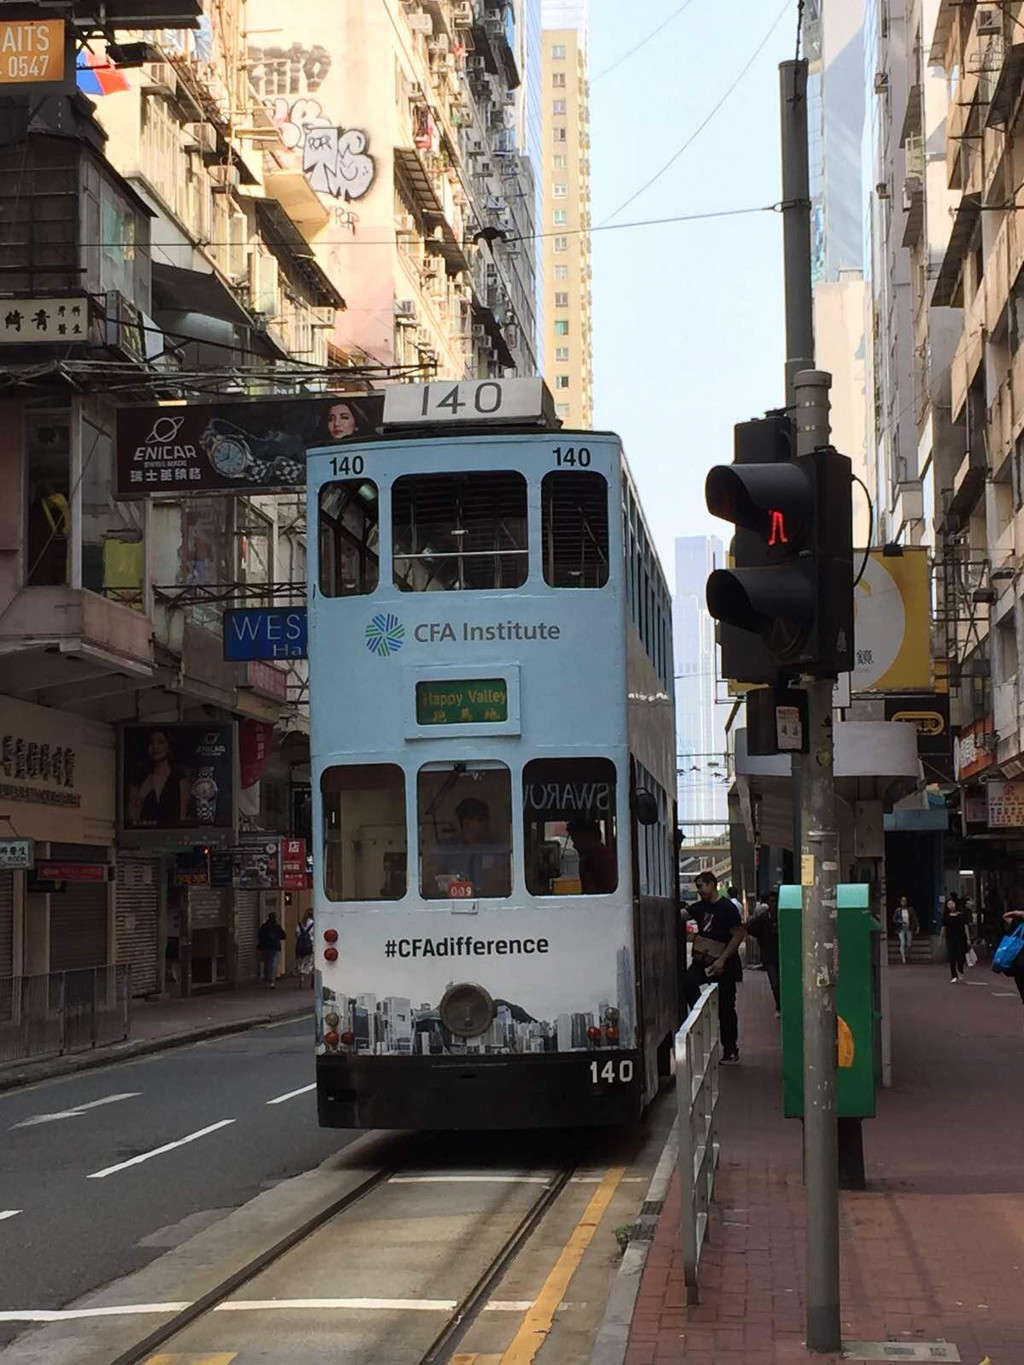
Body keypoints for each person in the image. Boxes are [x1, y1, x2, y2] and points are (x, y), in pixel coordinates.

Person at [682, 870, 745, 1062]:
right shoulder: (699, 907)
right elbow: (683, 914)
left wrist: (723, 959)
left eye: (701, 886)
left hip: (723, 964)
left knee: (727, 1007)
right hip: (703, 961)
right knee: (687, 983)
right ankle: (702, 1015)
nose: (699, 891)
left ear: (712, 884)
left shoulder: (727, 908)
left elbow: (738, 934)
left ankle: (730, 1048)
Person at [428, 797, 510, 898]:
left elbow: (504, 883)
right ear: (465, 822)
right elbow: (431, 882)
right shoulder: (447, 849)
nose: (486, 823)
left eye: (486, 819)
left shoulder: (498, 849)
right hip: (451, 904)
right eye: (480, 820)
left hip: (489, 903)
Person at [126, 729, 191, 828]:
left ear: (169, 747)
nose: (155, 747)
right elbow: (132, 820)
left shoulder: (180, 779)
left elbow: (183, 817)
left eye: (160, 742)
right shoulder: (138, 779)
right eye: (151, 742)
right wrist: (141, 797)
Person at [746, 889, 780, 1014]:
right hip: (769, 956)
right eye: (771, 902)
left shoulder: (783, 917)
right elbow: (750, 928)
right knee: (775, 984)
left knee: (782, 983)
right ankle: (779, 1006)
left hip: (782, 956)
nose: (774, 904)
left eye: (776, 901)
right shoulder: (763, 918)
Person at [567, 818, 617, 893]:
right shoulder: (589, 859)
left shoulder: (604, 859)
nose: (574, 846)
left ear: (588, 838)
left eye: (577, 841)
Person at [942, 894, 972, 983]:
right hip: (950, 938)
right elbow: (943, 928)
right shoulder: (946, 917)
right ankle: (953, 975)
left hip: (960, 938)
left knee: (960, 955)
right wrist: (941, 938)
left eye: (952, 904)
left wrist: (968, 938)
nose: (951, 906)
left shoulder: (962, 915)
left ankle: (960, 969)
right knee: (951, 956)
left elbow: (965, 927)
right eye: (949, 904)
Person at [1001, 908, 1024, 1020]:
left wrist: (1016, 912)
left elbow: (1005, 916)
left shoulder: (1017, 924)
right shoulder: (1018, 924)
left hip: (1019, 965)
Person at [257, 910, 286, 987]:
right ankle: (272, 981)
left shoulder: (264, 926)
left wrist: (260, 947)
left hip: (265, 948)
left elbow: (260, 936)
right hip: (275, 947)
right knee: (274, 964)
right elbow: (284, 936)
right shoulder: (277, 927)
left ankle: (267, 980)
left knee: (267, 964)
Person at [892, 895, 919, 965]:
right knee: (902, 942)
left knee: (909, 943)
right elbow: (894, 919)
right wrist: (900, 922)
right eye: (902, 901)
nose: (903, 902)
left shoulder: (910, 910)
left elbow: (914, 918)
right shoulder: (898, 910)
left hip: (909, 928)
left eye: (905, 901)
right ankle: (903, 958)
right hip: (901, 928)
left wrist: (917, 926)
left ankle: (908, 956)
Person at [295, 910, 315, 988]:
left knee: (301, 962)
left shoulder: (300, 924)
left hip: (300, 946)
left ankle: (301, 976)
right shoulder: (314, 924)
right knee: (312, 962)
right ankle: (312, 981)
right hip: (311, 945)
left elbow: (297, 934)